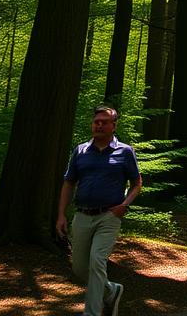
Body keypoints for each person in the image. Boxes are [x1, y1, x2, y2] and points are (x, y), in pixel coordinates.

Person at [56, 105, 142, 316]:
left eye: (105, 121)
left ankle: (92, 313)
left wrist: (124, 205)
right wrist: (60, 215)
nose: (100, 124)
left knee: (96, 261)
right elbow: (69, 183)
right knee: (79, 268)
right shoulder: (81, 151)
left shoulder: (125, 151)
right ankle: (111, 290)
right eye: (97, 121)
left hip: (109, 216)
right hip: (82, 215)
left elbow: (137, 183)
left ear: (114, 125)